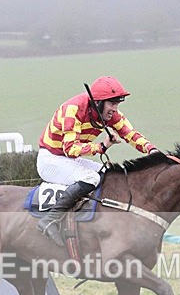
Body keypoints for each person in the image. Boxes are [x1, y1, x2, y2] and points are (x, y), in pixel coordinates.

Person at [35, 76, 158, 246]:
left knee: (108, 174)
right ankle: (50, 219)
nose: (115, 110)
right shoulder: (73, 109)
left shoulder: (110, 114)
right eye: (112, 104)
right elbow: (70, 150)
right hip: (51, 159)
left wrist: (152, 151)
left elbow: (131, 134)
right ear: (98, 103)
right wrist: (102, 146)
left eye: (117, 104)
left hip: (69, 160)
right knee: (91, 178)